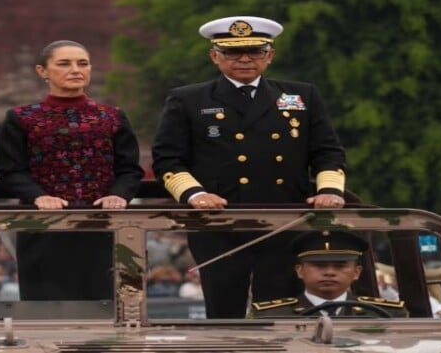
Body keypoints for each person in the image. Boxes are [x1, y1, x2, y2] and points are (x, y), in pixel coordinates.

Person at [152, 16, 347, 318]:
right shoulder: (188, 99)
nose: (244, 59)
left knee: (281, 312)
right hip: (219, 223)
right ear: (214, 56)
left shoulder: (300, 95)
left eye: (255, 51)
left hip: (284, 220)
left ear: (270, 55)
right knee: (223, 312)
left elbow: (327, 151)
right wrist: (194, 194)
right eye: (232, 52)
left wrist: (330, 190)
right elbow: (168, 159)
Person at [0, 40, 144, 300]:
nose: (76, 70)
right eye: (64, 64)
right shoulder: (22, 117)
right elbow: (12, 170)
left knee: (106, 306)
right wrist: (38, 196)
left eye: (82, 64)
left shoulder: (112, 116)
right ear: (43, 71)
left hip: (103, 223)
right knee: (46, 308)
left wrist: (119, 194)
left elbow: (130, 169)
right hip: (43, 227)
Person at [251, 231, 407, 318]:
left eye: (340, 266)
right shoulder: (270, 315)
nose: (329, 272)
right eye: (319, 266)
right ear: (300, 271)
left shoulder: (386, 314)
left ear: (356, 272)